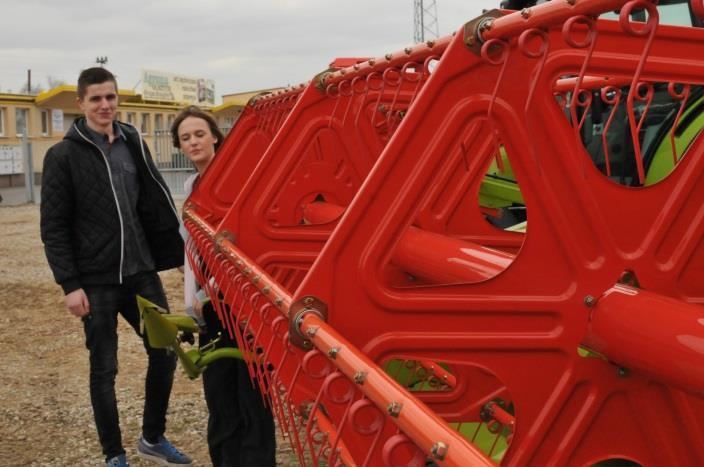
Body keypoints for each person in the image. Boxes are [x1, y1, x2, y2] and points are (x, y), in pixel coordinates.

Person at [40, 67, 192, 467]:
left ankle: (152, 438)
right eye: (96, 99)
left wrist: (177, 256)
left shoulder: (133, 143)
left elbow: (155, 203)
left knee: (165, 352)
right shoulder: (62, 156)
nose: (105, 105)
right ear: (81, 104)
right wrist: (70, 284)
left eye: (110, 97)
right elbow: (53, 227)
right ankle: (114, 455)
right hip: (96, 281)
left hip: (141, 272)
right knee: (104, 368)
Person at [172, 106, 276, 467]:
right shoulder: (190, 189)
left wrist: (212, 289)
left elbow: (246, 245)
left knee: (252, 396)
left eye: (199, 134)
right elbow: (193, 254)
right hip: (210, 308)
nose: (193, 142)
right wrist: (193, 300)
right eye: (185, 138)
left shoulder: (236, 183)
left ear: (215, 136)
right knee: (219, 397)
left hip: (242, 302)